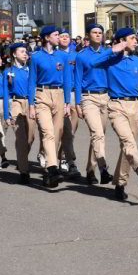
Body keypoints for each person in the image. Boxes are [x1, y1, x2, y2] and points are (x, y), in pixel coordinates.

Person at [103, 27, 138, 202]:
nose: (136, 41)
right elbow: (91, 61)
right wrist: (112, 50)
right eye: (132, 38)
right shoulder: (109, 60)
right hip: (116, 105)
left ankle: (119, 184)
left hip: (135, 106)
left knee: (127, 148)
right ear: (123, 41)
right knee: (128, 141)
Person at [28, 25, 73, 189]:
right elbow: (31, 81)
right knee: (47, 133)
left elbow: (67, 79)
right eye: (56, 35)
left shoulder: (63, 56)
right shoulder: (36, 57)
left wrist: (68, 102)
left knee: (57, 132)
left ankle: (48, 168)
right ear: (47, 37)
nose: (59, 37)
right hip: (42, 95)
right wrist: (31, 105)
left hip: (60, 96)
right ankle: (53, 169)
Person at [74, 23, 114, 186]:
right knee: (97, 134)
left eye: (100, 33)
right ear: (88, 36)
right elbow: (77, 80)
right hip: (88, 97)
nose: (98, 35)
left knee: (98, 136)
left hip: (105, 97)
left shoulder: (108, 53)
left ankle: (90, 170)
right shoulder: (81, 56)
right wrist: (77, 103)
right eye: (94, 32)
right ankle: (103, 169)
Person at [2, 42, 35, 185]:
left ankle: (21, 160)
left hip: (30, 104)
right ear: (14, 54)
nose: (25, 53)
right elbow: (5, 93)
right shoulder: (8, 71)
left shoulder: (30, 70)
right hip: (15, 103)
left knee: (30, 138)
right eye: (22, 51)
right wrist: (6, 114)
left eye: (26, 51)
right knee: (21, 139)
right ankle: (24, 171)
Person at [56, 29, 80, 178]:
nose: (65, 38)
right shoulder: (55, 55)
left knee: (71, 131)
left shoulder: (75, 55)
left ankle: (63, 157)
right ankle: (67, 161)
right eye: (62, 36)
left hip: (72, 94)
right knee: (62, 130)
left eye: (67, 36)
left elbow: (79, 76)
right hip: (58, 94)